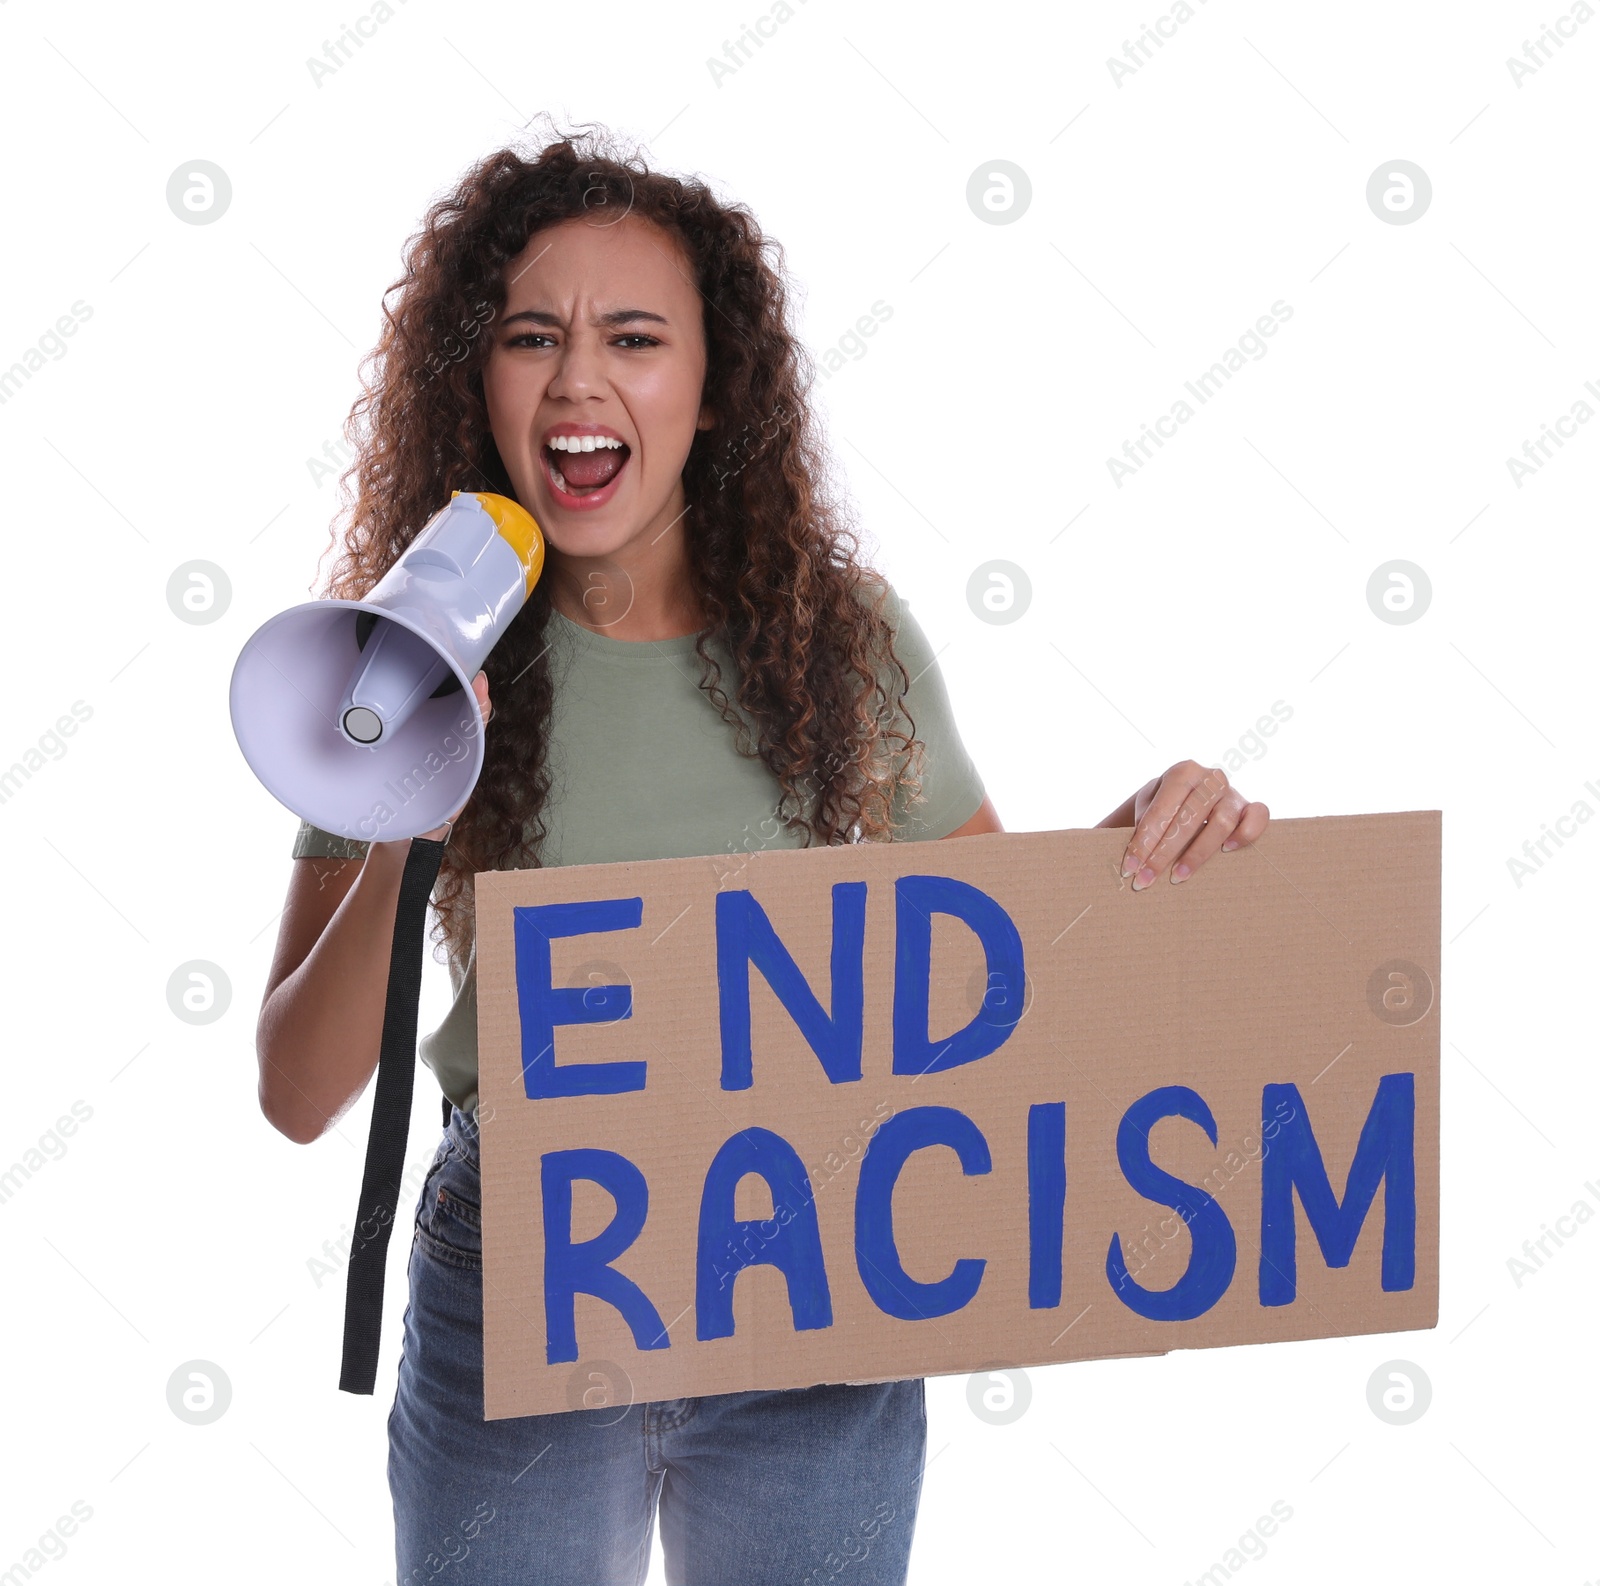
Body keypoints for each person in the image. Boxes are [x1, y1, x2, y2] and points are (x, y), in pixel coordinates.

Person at [253, 120, 1270, 1586]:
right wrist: (411, 803)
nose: (580, 378)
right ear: (478, 380)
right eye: (532, 335)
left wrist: (1158, 842)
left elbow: (1007, 952)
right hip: (529, 1266)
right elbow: (296, 1093)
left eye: (637, 338)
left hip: (812, 1258)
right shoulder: (394, 667)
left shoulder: (838, 644)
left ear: (714, 390)